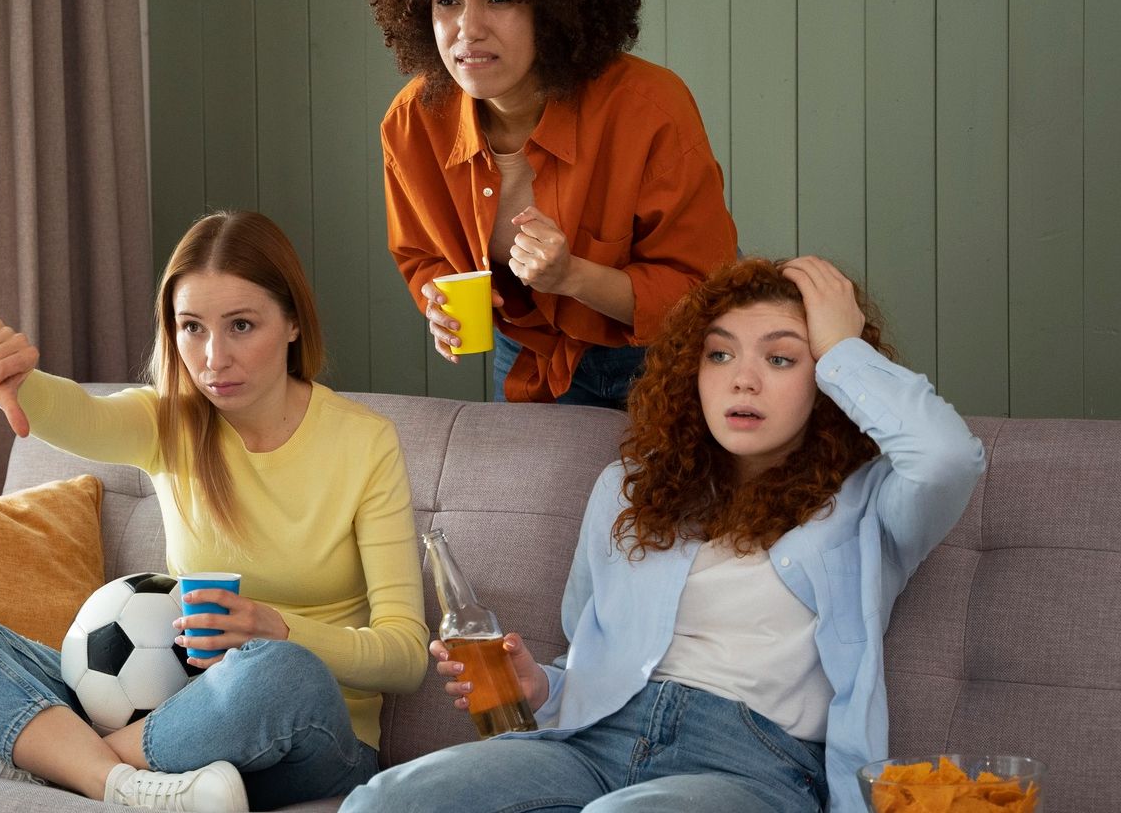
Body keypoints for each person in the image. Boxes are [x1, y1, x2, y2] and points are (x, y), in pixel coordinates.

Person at [339, 256, 985, 813]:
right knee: (383, 801)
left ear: (823, 381)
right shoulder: (628, 489)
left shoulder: (869, 504)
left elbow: (947, 457)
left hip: (749, 767)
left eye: (783, 357)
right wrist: (541, 686)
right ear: (690, 372)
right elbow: (585, 660)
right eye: (720, 353)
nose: (743, 378)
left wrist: (844, 347)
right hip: (593, 742)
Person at [0, 211, 428, 812]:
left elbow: (406, 656)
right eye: (192, 328)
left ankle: (55, 759)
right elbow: (77, 414)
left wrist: (280, 630)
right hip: (166, 708)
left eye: (241, 325)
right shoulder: (169, 423)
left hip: (307, 737)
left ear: (293, 321)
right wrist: (11, 379)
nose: (213, 357)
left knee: (277, 669)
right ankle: (120, 780)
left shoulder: (364, 443)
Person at [368, 0, 739, 407]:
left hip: (667, 354)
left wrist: (572, 276)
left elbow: (702, 293)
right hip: (527, 352)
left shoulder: (650, 109)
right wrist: (437, 302)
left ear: (558, 6)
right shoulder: (412, 121)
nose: (467, 29)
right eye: (447, 0)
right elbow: (422, 254)